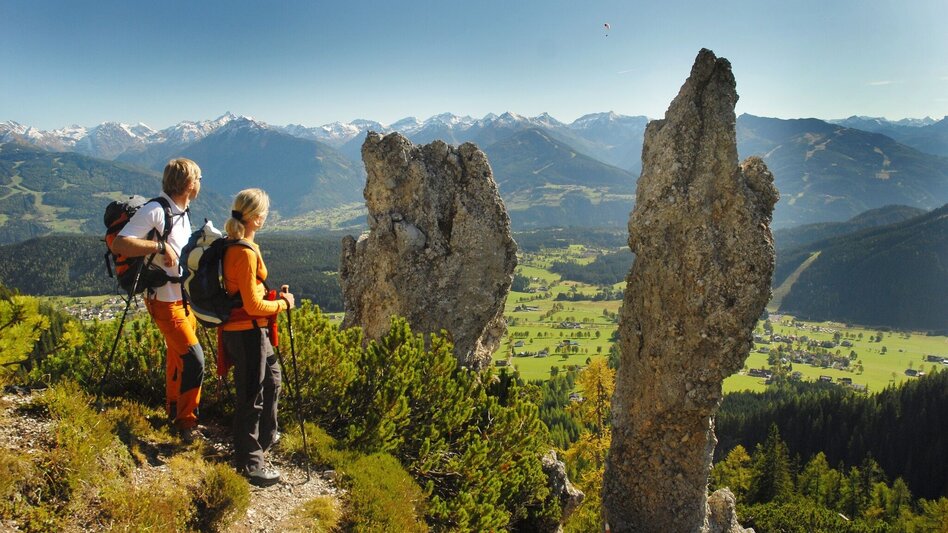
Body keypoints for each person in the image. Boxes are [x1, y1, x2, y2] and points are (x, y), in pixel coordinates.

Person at [112, 158, 205, 442]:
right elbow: (120, 244)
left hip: (181, 298)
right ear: (189, 184)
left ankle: (174, 410)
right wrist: (159, 245)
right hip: (164, 301)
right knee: (194, 360)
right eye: (198, 179)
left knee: (178, 358)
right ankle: (186, 424)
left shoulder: (181, 211)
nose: (200, 184)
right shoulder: (156, 210)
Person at [221, 188, 295, 487]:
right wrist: (283, 304)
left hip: (249, 332)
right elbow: (252, 306)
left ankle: (265, 437)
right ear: (256, 218)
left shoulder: (234, 245)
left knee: (273, 378)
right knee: (250, 397)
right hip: (247, 333)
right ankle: (250, 464)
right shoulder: (243, 252)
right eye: (264, 212)